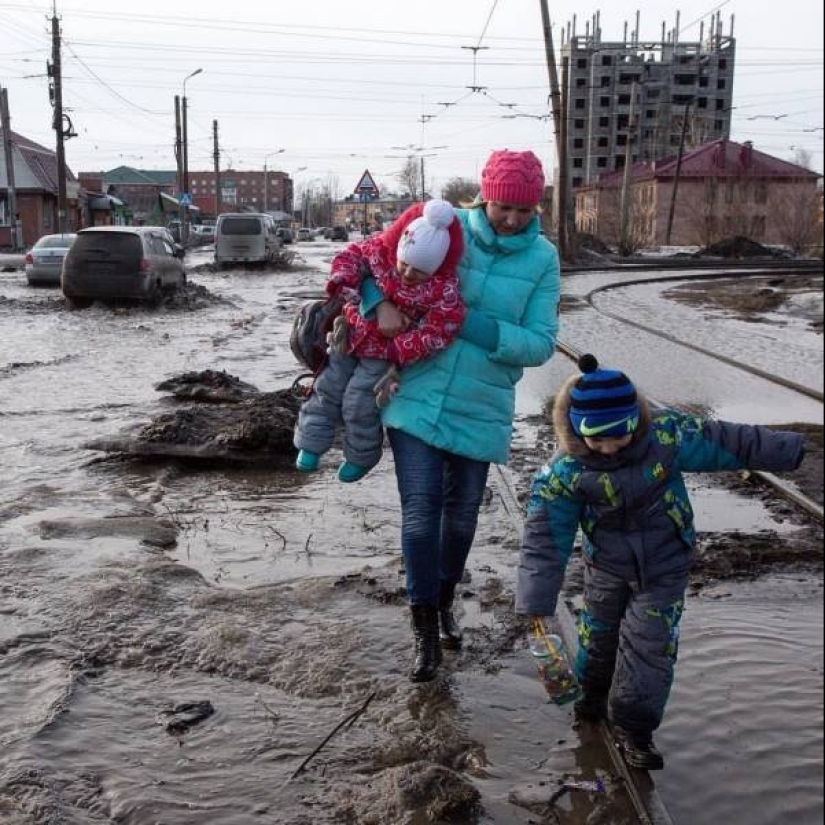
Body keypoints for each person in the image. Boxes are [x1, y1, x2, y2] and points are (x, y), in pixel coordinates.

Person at [515, 353, 806, 770]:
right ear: (579, 431)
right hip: (607, 569)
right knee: (599, 641)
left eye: (619, 435)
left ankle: (635, 730)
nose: (610, 446)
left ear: (635, 421)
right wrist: (536, 602)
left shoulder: (667, 438)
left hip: (664, 564)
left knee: (650, 646)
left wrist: (789, 449)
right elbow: (544, 540)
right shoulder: (565, 473)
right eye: (598, 439)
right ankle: (591, 703)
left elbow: (728, 441)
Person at [363, 149, 561, 682]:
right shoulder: (444, 227)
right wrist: (373, 304)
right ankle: (424, 624)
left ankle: (445, 597)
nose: (512, 219)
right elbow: (369, 259)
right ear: (484, 197)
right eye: (503, 207)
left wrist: (465, 324)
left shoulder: (543, 259)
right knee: (422, 512)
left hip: (483, 404)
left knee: (463, 518)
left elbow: (541, 343)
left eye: (523, 210)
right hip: (417, 392)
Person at [293, 198, 465, 483]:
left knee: (359, 403)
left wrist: (400, 350)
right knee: (326, 388)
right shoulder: (379, 252)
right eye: (405, 264)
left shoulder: (443, 289)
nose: (408, 274)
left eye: (420, 271)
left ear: (435, 268)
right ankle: (310, 444)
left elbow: (442, 329)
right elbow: (347, 260)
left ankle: (361, 457)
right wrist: (348, 284)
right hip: (346, 339)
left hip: (382, 355)